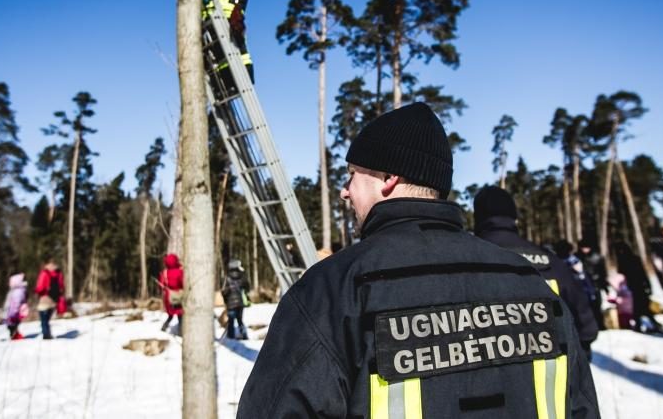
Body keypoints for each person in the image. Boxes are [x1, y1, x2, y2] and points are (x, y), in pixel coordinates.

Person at [237, 103, 599, 418]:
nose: (345, 191)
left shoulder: (334, 290)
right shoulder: (529, 280)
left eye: (352, 176)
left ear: (389, 177)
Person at [473, 186, 599, 360]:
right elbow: (587, 325)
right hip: (555, 377)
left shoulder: (465, 262)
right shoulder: (551, 261)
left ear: (477, 219)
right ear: (514, 219)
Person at [614, 242, 663, 334]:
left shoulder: (628, 259)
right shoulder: (625, 260)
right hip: (634, 287)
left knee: (641, 307)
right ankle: (644, 325)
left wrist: (648, 285)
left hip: (637, 286)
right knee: (640, 308)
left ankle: (646, 325)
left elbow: (642, 273)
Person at [576, 240, 608, 330]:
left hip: (595, 285)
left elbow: (603, 273)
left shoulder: (597, 258)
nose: (585, 250)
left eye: (586, 247)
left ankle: (600, 324)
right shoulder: (577, 257)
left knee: (597, 305)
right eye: (583, 247)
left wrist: (605, 286)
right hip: (582, 286)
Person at [35, 259, 65, 340]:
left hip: (45, 298)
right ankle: (47, 334)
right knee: (47, 319)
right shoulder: (59, 273)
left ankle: (46, 335)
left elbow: (40, 287)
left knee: (43, 319)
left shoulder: (44, 273)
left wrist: (37, 291)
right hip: (54, 299)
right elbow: (61, 286)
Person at [221, 259, 250, 340]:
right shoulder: (242, 276)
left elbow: (223, 291)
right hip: (240, 302)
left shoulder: (227, 278)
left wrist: (225, 299)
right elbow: (247, 288)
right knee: (240, 320)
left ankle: (231, 337)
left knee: (231, 321)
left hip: (231, 303)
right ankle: (244, 334)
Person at [159, 253, 184, 333]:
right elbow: (183, 283)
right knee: (180, 315)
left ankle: (164, 327)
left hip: (168, 297)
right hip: (178, 296)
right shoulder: (180, 272)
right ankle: (180, 332)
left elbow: (161, 285)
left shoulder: (164, 273)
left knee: (171, 314)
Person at [3, 273, 29, 340]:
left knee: (12, 325)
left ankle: (14, 335)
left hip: (13, 313)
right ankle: (14, 335)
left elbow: (16, 303)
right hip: (11, 312)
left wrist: (14, 312)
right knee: (11, 325)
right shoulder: (15, 290)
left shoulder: (18, 291)